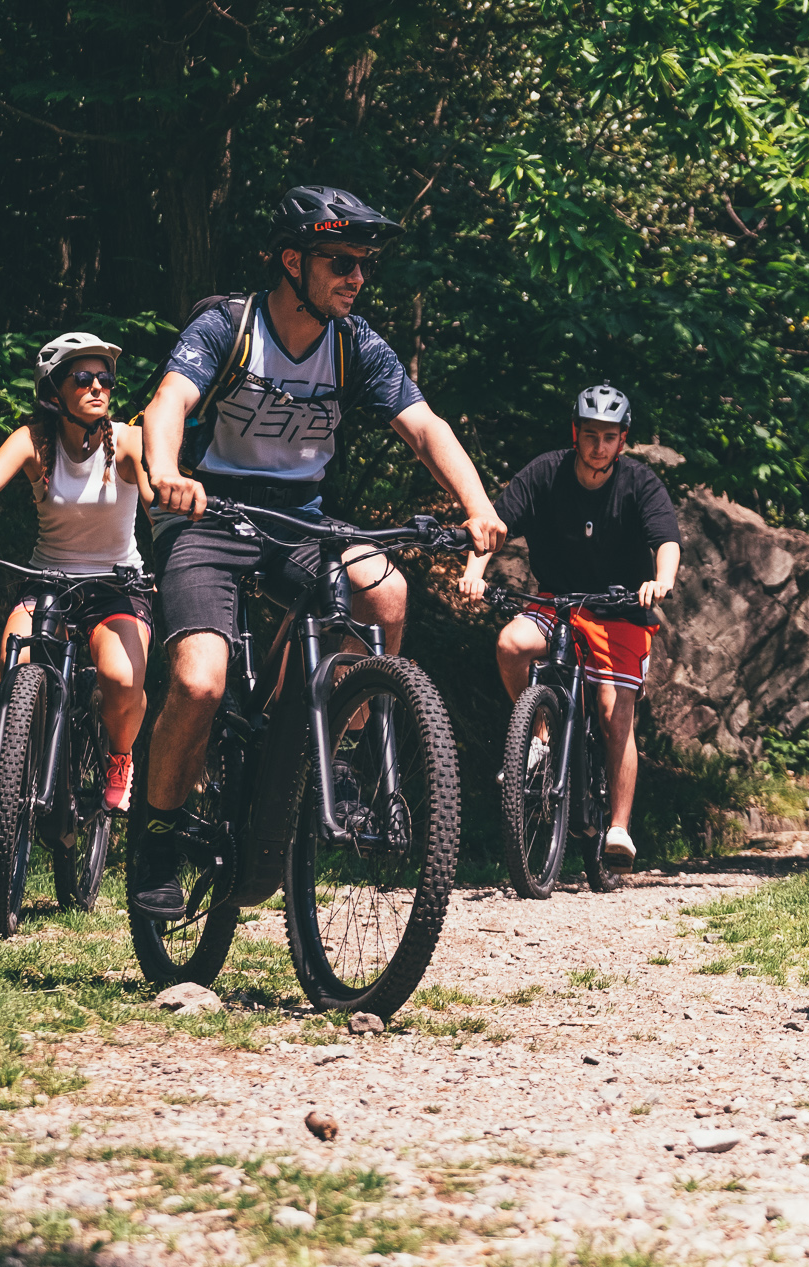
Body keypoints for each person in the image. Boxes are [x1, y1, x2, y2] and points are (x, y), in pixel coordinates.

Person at [131, 184, 507, 919]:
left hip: (299, 520)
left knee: (385, 591)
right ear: (292, 260)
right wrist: (168, 472)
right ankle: (157, 835)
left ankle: (323, 741)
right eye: (342, 261)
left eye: (364, 265)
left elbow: (424, 427)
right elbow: (167, 403)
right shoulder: (227, 326)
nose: (357, 279)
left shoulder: (354, 344)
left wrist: (478, 503)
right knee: (202, 683)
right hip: (206, 512)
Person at [0, 332, 152, 815]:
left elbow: (154, 499)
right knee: (12, 672)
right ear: (54, 391)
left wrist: (175, 533)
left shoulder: (129, 441)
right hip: (47, 580)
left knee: (121, 680)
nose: (97, 387)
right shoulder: (33, 442)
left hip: (117, 586)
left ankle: (119, 756)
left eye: (105, 378)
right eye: (83, 378)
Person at [456, 383, 680, 871]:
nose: (599, 446)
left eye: (610, 437)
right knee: (512, 643)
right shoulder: (545, 473)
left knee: (612, 709)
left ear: (623, 441)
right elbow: (494, 524)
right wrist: (474, 573)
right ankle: (540, 739)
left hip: (619, 610)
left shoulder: (640, 484)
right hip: (558, 602)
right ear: (575, 432)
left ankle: (618, 828)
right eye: (591, 434)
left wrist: (660, 582)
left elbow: (666, 540)